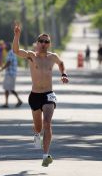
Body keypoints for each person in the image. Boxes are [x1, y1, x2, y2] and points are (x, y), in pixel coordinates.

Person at [12, 23, 69, 167]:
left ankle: (45, 155)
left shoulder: (52, 57)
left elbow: (61, 63)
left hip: (49, 95)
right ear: (37, 43)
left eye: (46, 42)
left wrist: (63, 74)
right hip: (35, 96)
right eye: (41, 41)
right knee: (38, 127)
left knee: (47, 123)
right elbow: (16, 51)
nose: (44, 44)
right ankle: (36, 134)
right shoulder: (31, 56)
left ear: (49, 44)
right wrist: (17, 35)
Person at [0, 42, 23, 108]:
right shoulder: (11, 52)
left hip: (10, 74)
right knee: (8, 89)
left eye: (5, 46)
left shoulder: (10, 53)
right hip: (10, 73)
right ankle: (7, 103)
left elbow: (8, 62)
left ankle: (18, 101)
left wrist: (1, 69)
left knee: (10, 89)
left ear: (8, 47)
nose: (4, 48)